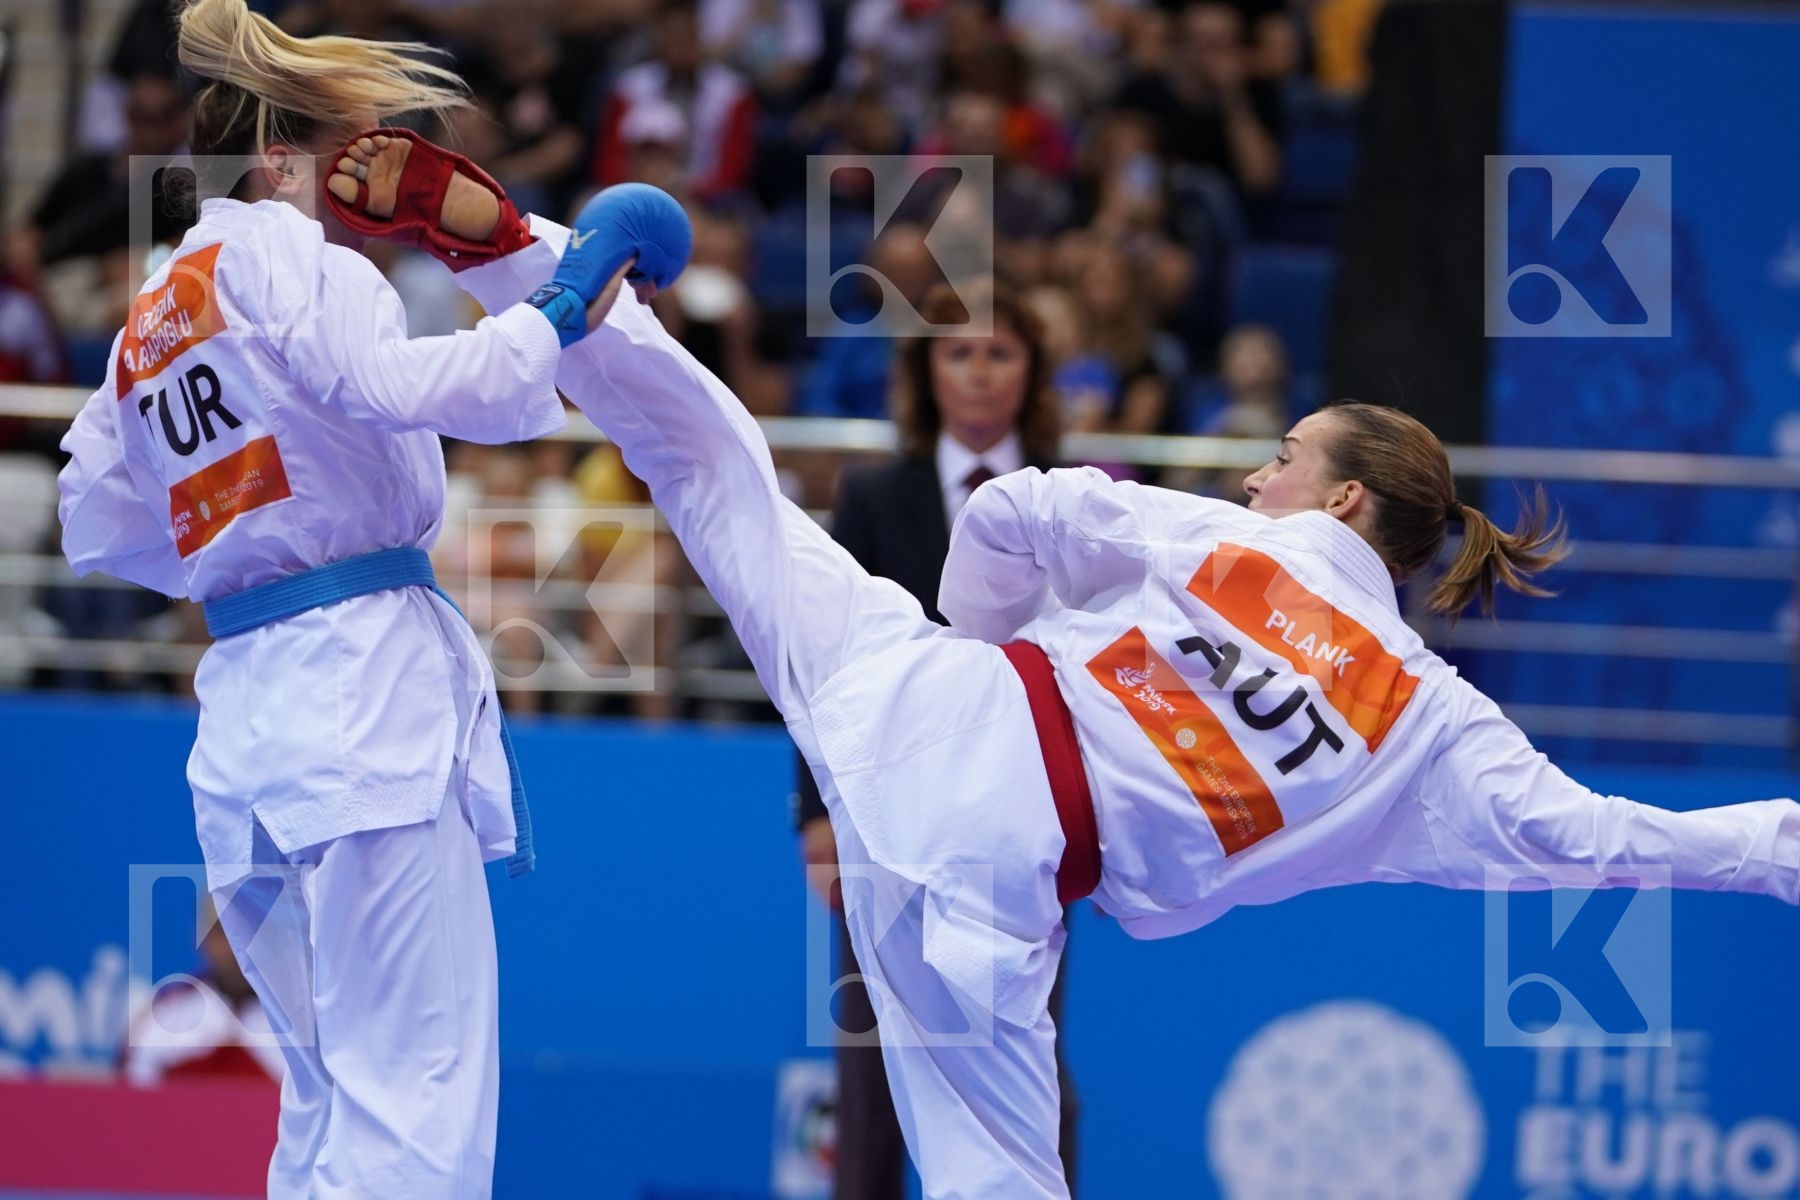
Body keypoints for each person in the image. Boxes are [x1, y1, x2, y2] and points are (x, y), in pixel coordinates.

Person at [434, 145, 1799, 1200]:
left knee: (714, 467)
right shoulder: (1439, 732)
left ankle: (530, 257)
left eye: (1286, 460)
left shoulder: (1240, 541)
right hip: (1002, 886)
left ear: (1340, 506)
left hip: (936, 710)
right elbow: (1606, 841)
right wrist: (1780, 850)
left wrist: (963, 659)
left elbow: (1012, 510)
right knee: (1001, 1180)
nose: (1256, 474)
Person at [52, 2, 650, 1196]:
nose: (350, 183)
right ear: (278, 158)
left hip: (252, 720)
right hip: (358, 696)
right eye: (336, 152)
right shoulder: (293, 259)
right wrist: (565, 298)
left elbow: (96, 517)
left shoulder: (154, 312)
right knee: (415, 1092)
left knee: (323, 1104)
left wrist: (247, 546)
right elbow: (429, 389)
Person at [794, 282, 1076, 1200]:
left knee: (1027, 1051)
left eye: (1002, 353)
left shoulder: (1081, 499)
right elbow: (822, 652)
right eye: (960, 353)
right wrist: (815, 813)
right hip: (886, 803)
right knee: (874, 1066)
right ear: (927, 372)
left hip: (1028, 811)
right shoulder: (876, 494)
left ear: (1031, 374)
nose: (981, 371)